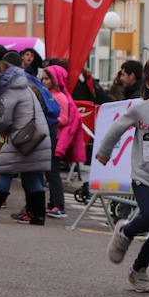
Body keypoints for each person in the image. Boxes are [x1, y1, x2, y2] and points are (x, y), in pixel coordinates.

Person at [98, 54, 149, 293]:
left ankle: (138, 270)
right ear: (148, 83)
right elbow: (116, 128)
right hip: (144, 177)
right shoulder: (140, 109)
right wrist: (104, 152)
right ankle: (125, 230)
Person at [0, 62, 51, 223]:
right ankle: (38, 215)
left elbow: (5, 121)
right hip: (37, 136)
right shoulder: (25, 88)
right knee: (31, 175)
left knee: (4, 171)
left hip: (21, 138)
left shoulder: (8, 92)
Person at [41, 65, 86, 219]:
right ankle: (53, 203)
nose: (44, 81)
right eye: (43, 78)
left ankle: (58, 206)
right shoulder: (49, 94)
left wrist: (47, 120)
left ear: (56, 80)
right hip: (49, 137)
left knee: (53, 174)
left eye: (47, 78)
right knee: (49, 173)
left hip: (56, 139)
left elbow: (64, 119)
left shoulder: (59, 97)